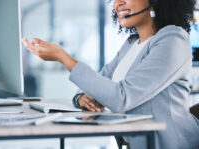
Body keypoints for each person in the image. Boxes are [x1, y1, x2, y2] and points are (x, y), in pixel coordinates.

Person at [22, 0, 199, 148]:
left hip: (171, 144)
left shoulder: (173, 39)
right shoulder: (131, 44)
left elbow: (122, 97)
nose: (117, 4)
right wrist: (82, 98)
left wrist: (63, 58)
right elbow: (97, 83)